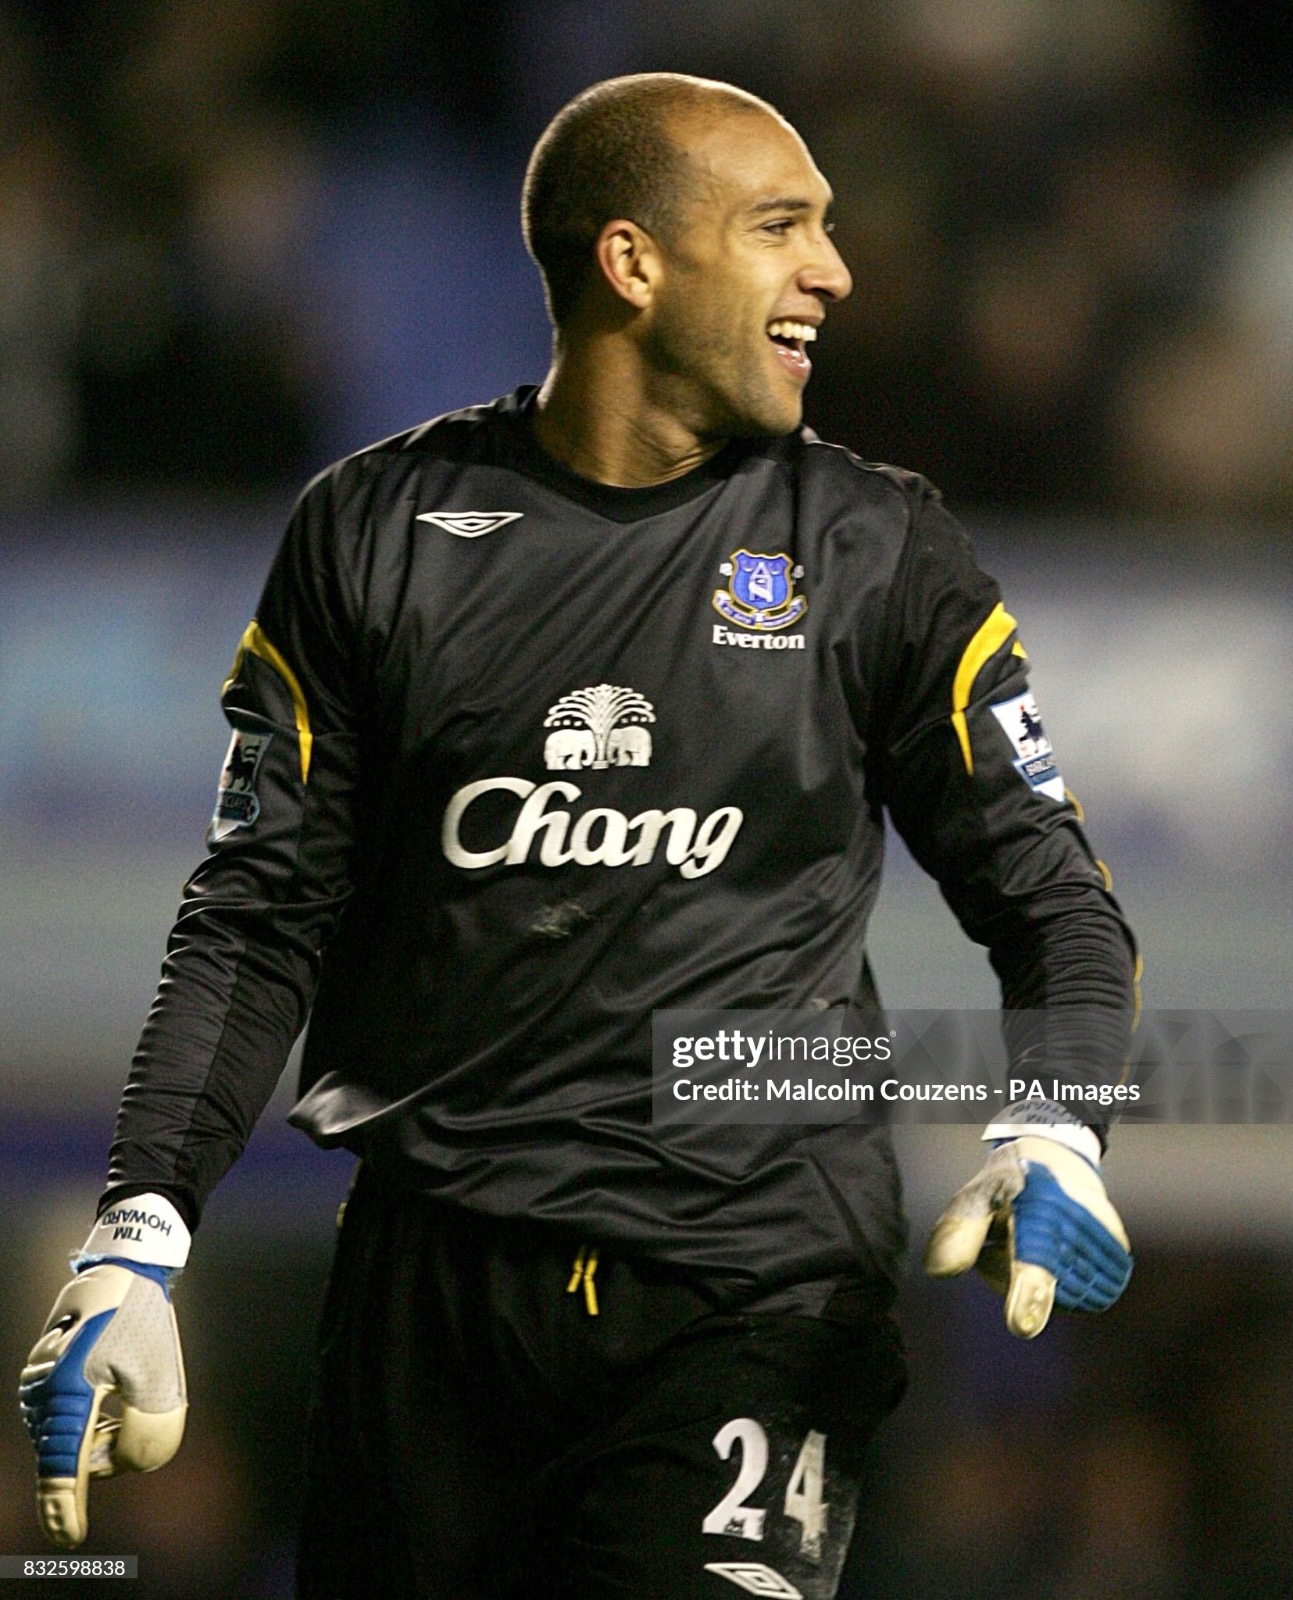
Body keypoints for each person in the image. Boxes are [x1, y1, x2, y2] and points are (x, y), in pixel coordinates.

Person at [19, 73, 1137, 1599]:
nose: (835, 269)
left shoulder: (875, 552)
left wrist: (1056, 1123)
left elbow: (1055, 903)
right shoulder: (377, 531)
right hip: (427, 1299)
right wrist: (135, 1234)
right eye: (780, 226)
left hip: (750, 1288)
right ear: (632, 263)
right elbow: (257, 916)